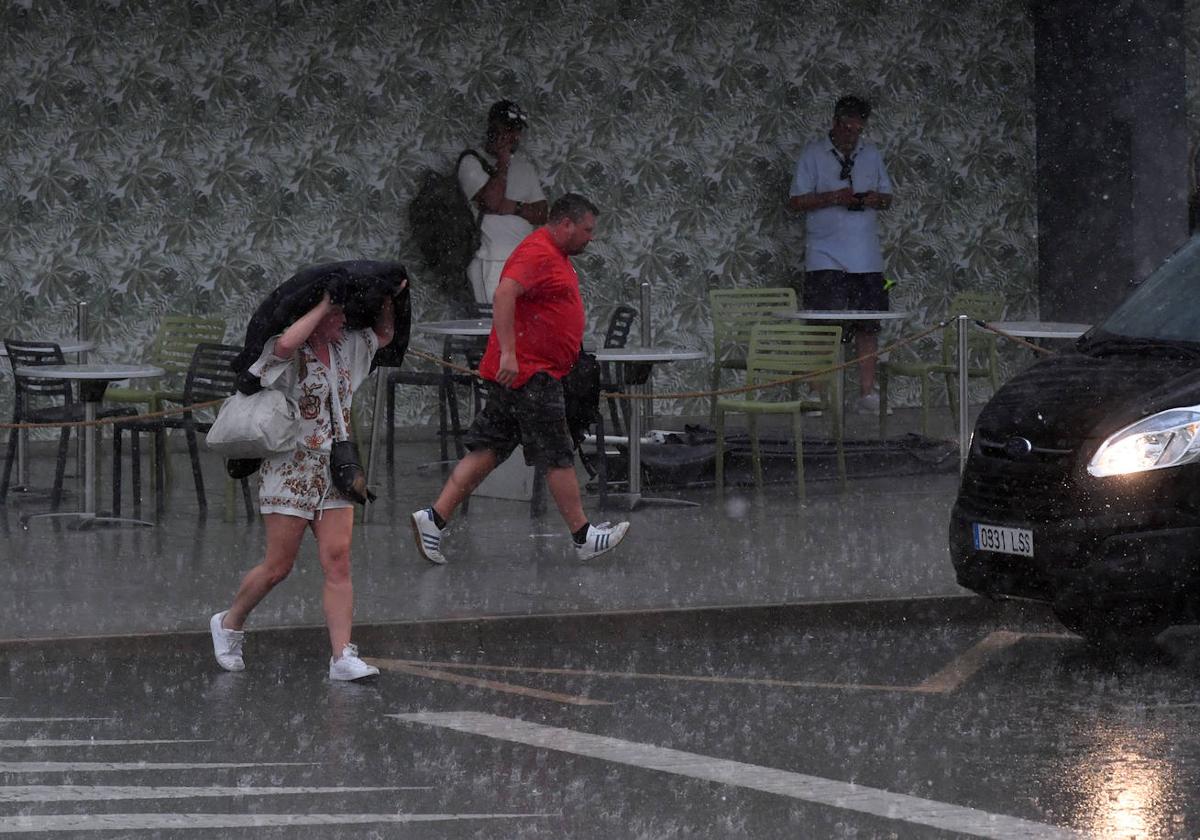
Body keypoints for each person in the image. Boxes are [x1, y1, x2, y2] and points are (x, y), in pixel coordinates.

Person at [411, 193, 630, 565]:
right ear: (565, 224)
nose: (591, 238)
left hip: (529, 374)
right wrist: (510, 353)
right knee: (557, 454)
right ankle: (583, 536)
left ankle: (433, 519)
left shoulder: (554, 255)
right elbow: (504, 293)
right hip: (531, 375)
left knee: (489, 449)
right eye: (587, 230)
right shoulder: (539, 251)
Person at [209, 281, 403, 681]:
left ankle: (342, 656)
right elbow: (280, 347)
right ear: (315, 318)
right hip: (291, 467)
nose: (344, 320)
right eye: (337, 314)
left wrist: (390, 296)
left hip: (336, 468)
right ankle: (229, 622)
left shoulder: (345, 348)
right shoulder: (289, 351)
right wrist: (322, 306)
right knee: (278, 566)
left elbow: (384, 335)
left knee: (338, 561)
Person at [788, 94, 894, 414]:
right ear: (834, 122)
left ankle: (866, 394)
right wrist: (833, 197)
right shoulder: (812, 154)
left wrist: (874, 198)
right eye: (847, 127)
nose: (852, 134)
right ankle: (816, 394)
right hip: (824, 254)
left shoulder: (871, 154)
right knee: (823, 325)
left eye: (858, 129)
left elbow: (889, 198)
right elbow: (795, 202)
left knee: (868, 326)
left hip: (867, 256)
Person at [459, 99, 549, 305]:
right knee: (496, 327)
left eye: (517, 130)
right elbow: (491, 201)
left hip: (524, 261)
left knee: (521, 329)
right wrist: (503, 159)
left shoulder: (524, 166)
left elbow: (542, 212)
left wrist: (514, 207)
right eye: (508, 129)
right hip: (491, 260)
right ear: (492, 128)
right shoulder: (471, 162)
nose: (514, 136)